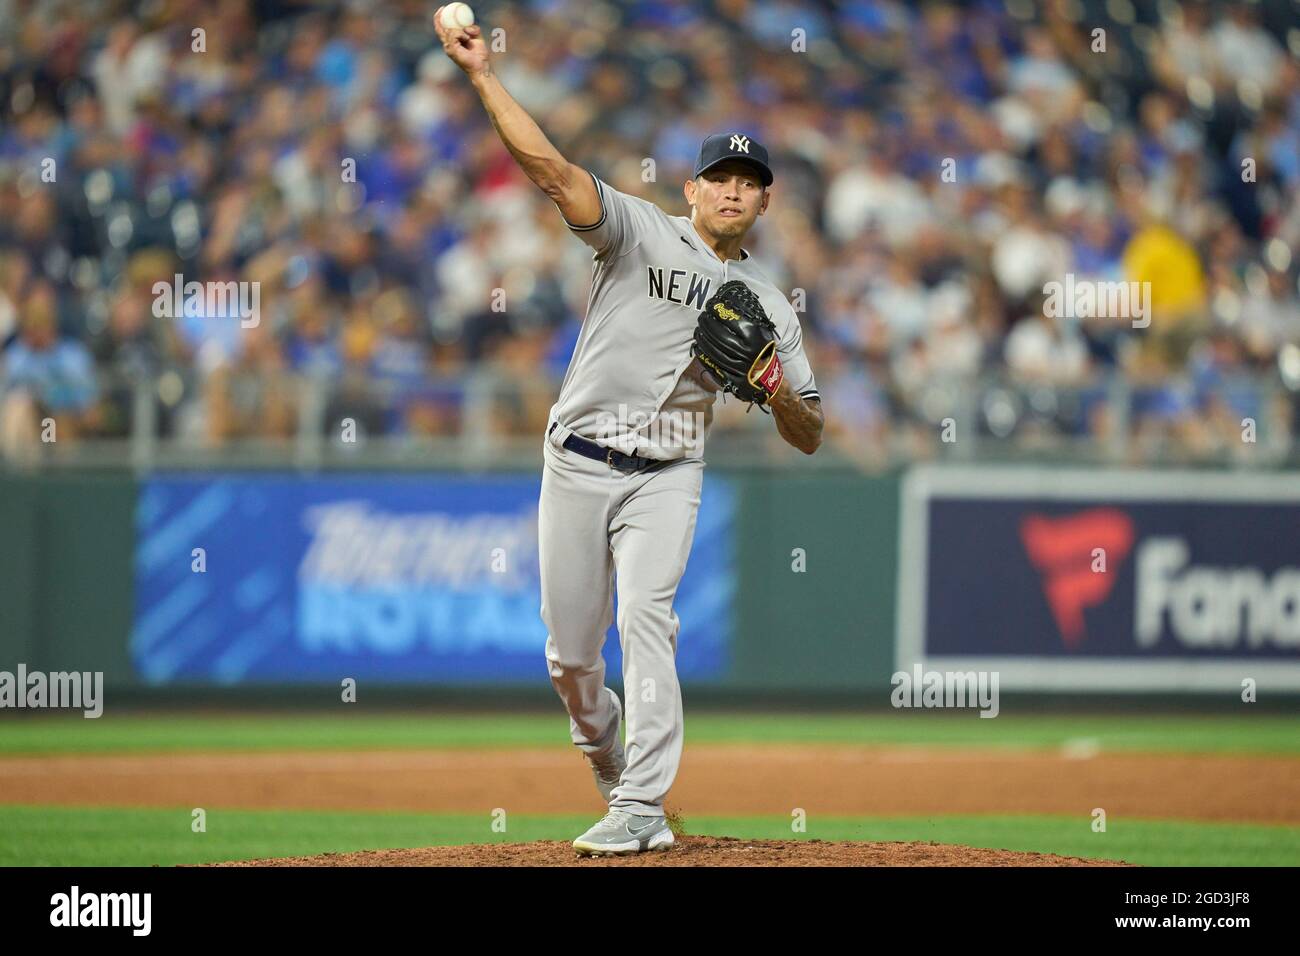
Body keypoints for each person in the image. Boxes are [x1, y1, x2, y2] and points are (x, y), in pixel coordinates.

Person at [434, 8, 824, 856]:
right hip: (575, 460)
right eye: (717, 175)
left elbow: (810, 432)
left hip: (669, 471)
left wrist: (770, 391)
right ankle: (608, 758)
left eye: (747, 179)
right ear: (690, 189)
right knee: (572, 661)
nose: (730, 188)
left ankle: (644, 804)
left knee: (649, 615)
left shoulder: (773, 309)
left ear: (763, 199)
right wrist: (479, 76)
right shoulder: (640, 231)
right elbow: (548, 170)